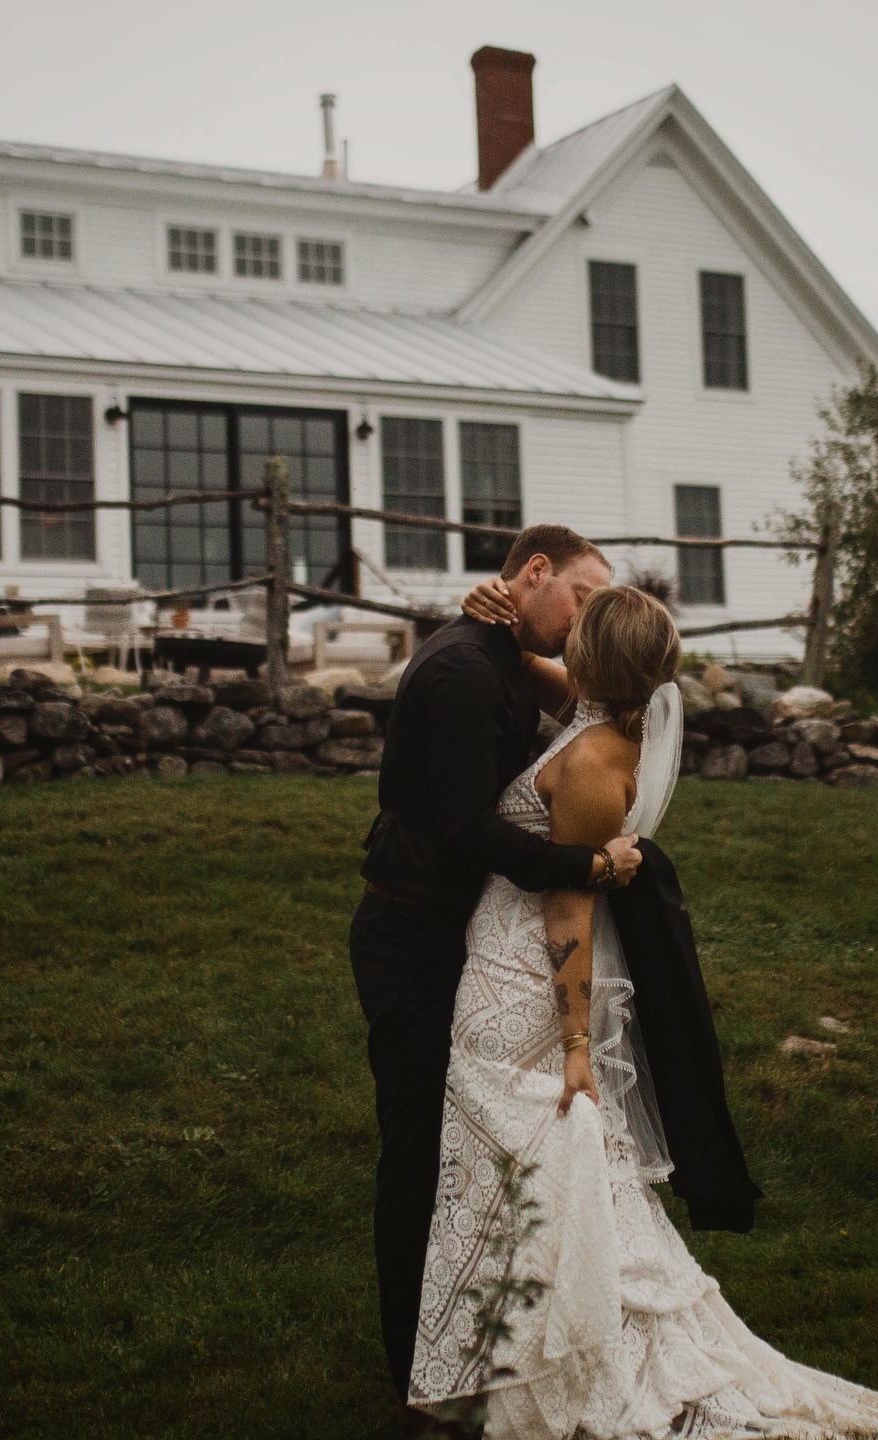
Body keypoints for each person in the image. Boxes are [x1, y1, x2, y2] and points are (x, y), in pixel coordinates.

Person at [408, 583, 878, 1440]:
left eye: (578, 630)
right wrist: (484, 612)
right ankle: (507, 1354)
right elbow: (534, 668)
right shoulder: (602, 713)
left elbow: (568, 910)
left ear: (596, 659)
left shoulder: (585, 765)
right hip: (502, 959)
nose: (564, 634)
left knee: (521, 1163)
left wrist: (576, 1042)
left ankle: (551, 1360)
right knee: (515, 1168)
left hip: (522, 982)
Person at [349, 525, 647, 1415]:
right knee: (416, 1147)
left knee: (464, 1144)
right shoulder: (467, 672)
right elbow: (464, 834)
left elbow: (608, 690)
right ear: (536, 572)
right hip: (410, 938)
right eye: (582, 596)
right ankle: (413, 1359)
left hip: (457, 933)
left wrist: (505, 613)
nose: (586, 617)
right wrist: (588, 867)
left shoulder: (504, 653)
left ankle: (473, 1336)